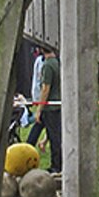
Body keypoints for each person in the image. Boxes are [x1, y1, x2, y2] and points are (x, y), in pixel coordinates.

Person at [30, 41, 61, 171]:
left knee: (54, 138)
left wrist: (39, 108)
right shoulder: (57, 63)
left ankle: (56, 166)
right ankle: (28, 149)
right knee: (45, 133)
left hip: (49, 107)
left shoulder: (47, 65)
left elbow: (45, 88)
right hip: (55, 105)